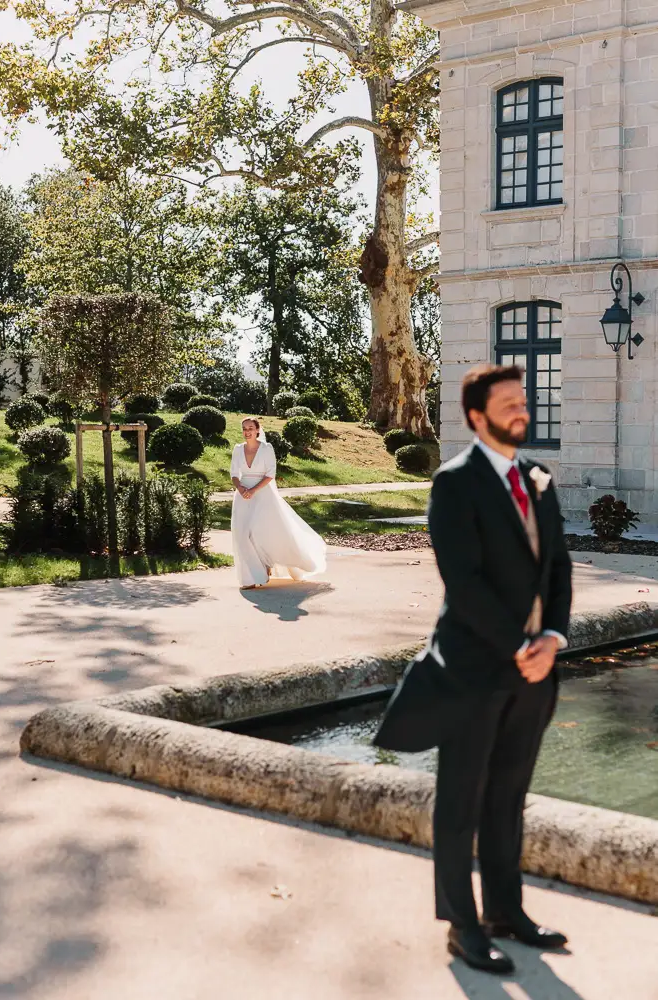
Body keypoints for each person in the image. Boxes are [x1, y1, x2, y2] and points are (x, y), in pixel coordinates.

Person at [374, 364, 572, 975]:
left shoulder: (537, 476)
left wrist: (554, 638)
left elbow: (559, 565)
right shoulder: (454, 483)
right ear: (477, 417)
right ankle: (462, 926)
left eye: (523, 400)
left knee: (510, 796)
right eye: (509, 403)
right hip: (474, 666)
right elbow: (463, 583)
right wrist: (519, 642)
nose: (522, 409)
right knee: (461, 801)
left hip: (536, 669)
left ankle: (504, 912)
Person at [230, 417, 327, 590]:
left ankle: (265, 567)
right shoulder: (238, 449)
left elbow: (270, 474)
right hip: (242, 495)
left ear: (258, 430)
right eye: (244, 428)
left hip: (262, 495)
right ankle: (250, 577)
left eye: (250, 428)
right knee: (241, 535)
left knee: (260, 533)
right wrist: (241, 488)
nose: (247, 432)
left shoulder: (266, 449)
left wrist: (253, 490)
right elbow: (234, 474)